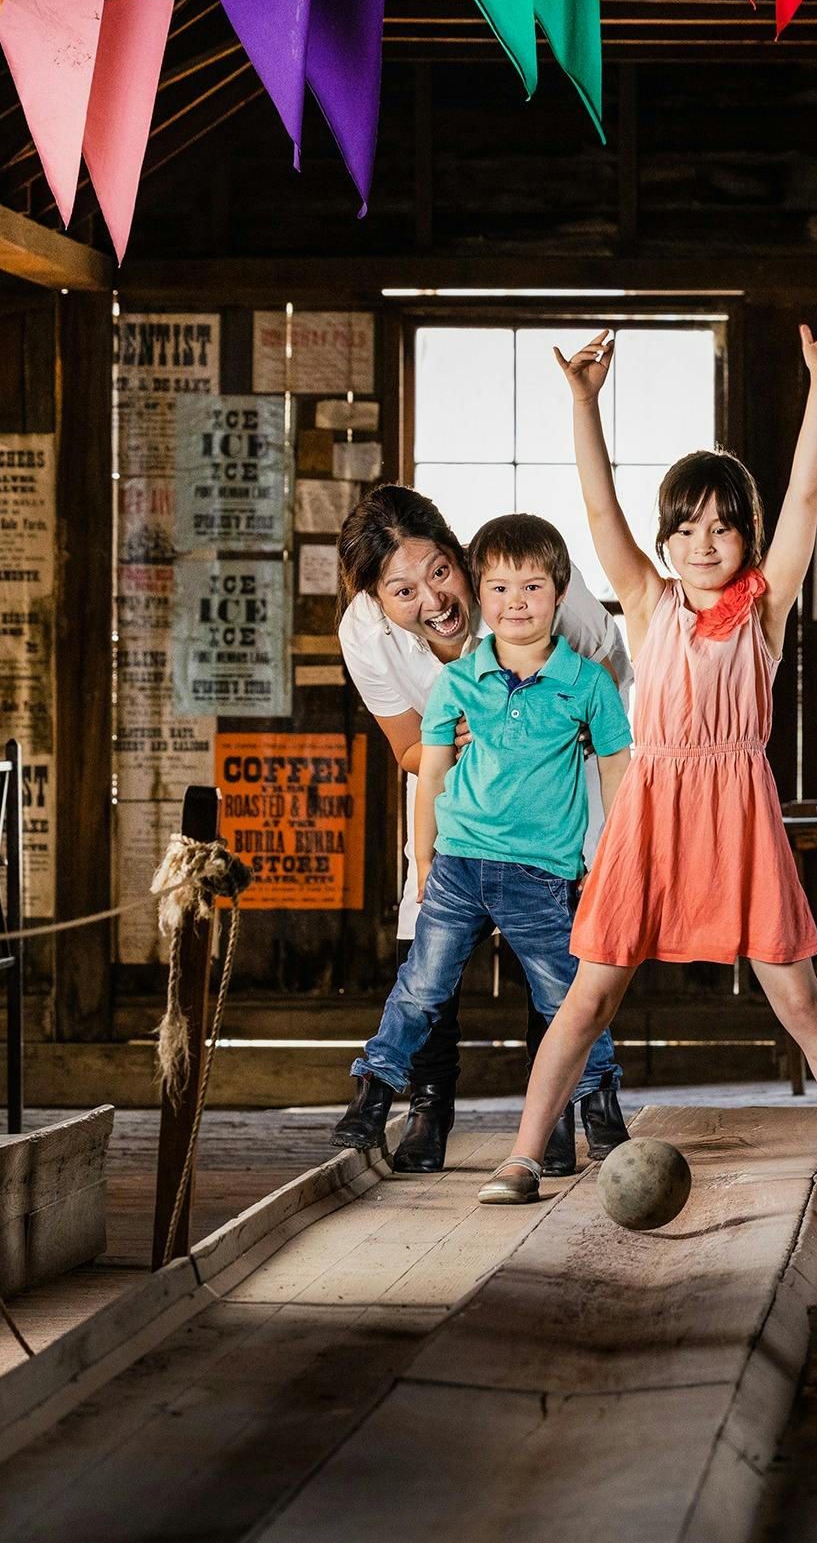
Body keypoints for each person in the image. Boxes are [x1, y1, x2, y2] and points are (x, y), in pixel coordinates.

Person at [477, 298, 817, 1209]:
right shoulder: (646, 601)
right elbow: (598, 510)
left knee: (800, 1003)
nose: (702, 543)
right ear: (667, 539)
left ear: (746, 537)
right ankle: (522, 1156)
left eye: (722, 526)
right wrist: (584, 403)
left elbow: (805, 494)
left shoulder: (765, 607)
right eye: (685, 527)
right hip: (653, 810)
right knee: (589, 998)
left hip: (739, 810)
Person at [335, 486, 632, 1172]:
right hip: (458, 805)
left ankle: (556, 1113)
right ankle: (428, 1109)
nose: (433, 600)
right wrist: (468, 742)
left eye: (439, 571)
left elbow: (607, 697)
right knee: (424, 957)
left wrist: (539, 747)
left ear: (460, 558)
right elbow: (412, 753)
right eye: (402, 591)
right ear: (378, 600)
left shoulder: (533, 588)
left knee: (559, 964)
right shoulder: (366, 634)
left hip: (559, 786)